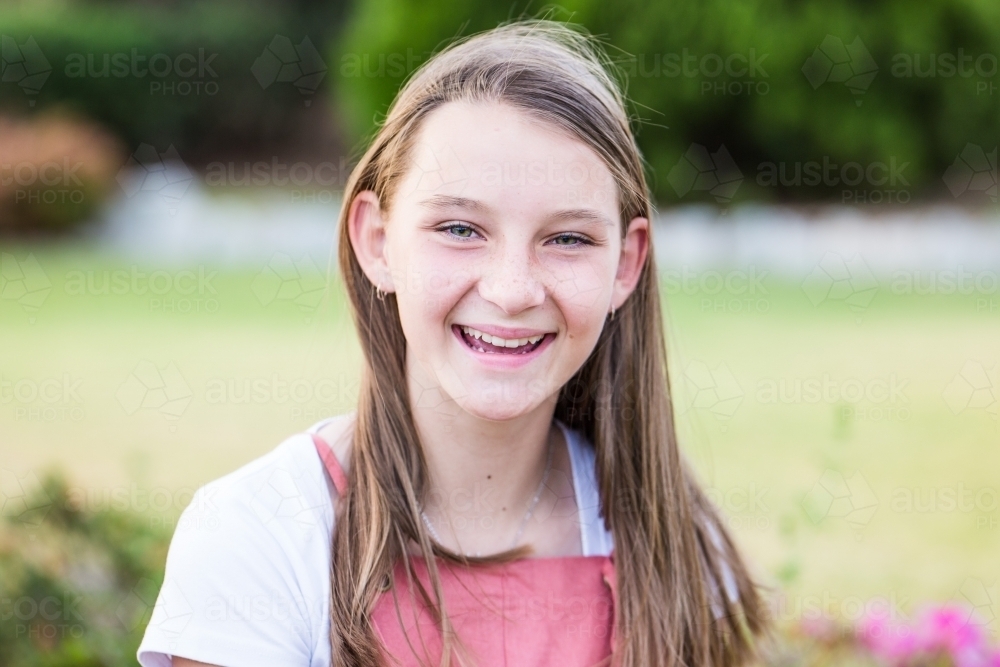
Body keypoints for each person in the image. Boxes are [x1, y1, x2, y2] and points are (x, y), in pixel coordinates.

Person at [137, 18, 771, 667]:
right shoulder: (258, 535)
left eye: (568, 239)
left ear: (625, 264)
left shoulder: (671, 543)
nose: (512, 289)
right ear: (377, 243)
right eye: (461, 228)